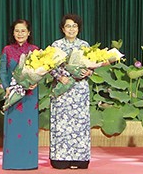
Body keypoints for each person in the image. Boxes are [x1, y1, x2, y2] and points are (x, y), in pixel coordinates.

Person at [49, 14, 93, 169]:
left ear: (79, 28)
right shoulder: (56, 45)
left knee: (79, 125)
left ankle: (80, 159)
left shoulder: (85, 45)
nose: (71, 29)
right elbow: (50, 66)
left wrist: (88, 72)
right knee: (62, 124)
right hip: (62, 89)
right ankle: (60, 158)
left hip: (79, 90)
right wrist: (60, 78)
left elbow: (91, 66)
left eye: (74, 26)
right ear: (62, 28)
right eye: (68, 26)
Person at [0, 19, 39, 170]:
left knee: (29, 130)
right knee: (13, 130)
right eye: (17, 31)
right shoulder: (7, 49)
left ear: (29, 33)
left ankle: (29, 163)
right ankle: (12, 162)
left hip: (30, 95)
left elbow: (40, 70)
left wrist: (36, 82)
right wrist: (7, 87)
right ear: (13, 33)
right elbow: (3, 71)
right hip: (13, 94)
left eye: (23, 31)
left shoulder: (35, 50)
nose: (20, 34)